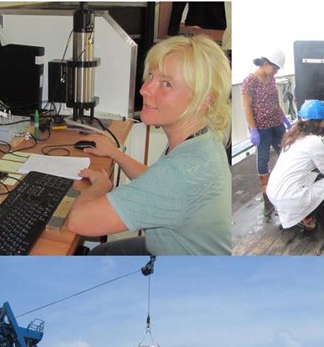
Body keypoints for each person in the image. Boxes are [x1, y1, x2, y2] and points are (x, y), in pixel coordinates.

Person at [66, 35, 231, 255]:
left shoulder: (180, 174)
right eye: (151, 76)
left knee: (95, 254)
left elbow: (79, 222)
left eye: (166, 83)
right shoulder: (203, 140)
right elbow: (156, 181)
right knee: (102, 252)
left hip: (187, 281)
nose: (145, 89)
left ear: (205, 100)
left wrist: (101, 185)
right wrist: (115, 154)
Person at [266, 99, 324, 231]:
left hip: (273, 193)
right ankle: (308, 215)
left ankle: (297, 212)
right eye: (322, 120)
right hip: (289, 197)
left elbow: (304, 160)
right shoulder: (313, 141)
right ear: (314, 123)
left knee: (316, 177)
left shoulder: (293, 137)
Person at [242, 49, 292, 218]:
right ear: (265, 64)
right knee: (263, 158)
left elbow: (274, 102)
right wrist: (253, 129)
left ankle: (286, 183)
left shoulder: (271, 78)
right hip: (261, 127)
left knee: (285, 151)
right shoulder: (250, 81)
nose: (276, 72)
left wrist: (284, 118)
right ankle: (266, 193)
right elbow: (246, 106)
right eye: (275, 68)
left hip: (276, 124)